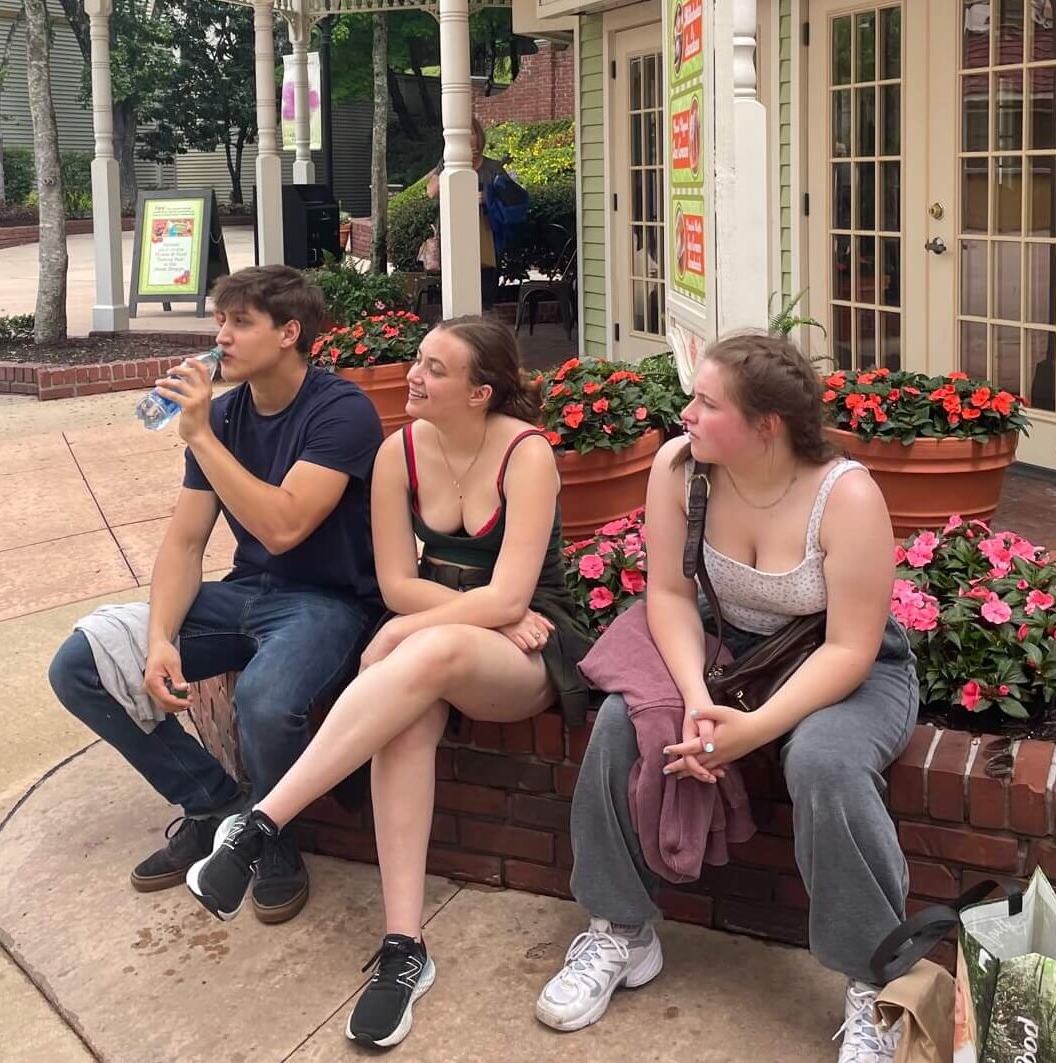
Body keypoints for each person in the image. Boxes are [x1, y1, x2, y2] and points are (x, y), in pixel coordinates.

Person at [186, 315, 591, 1048]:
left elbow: (511, 599)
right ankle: (404, 948)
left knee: (425, 650)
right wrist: (441, 619)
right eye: (417, 359)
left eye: (436, 368)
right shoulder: (397, 450)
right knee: (404, 723)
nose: (414, 374)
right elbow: (398, 585)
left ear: (480, 392)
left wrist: (418, 627)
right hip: (451, 628)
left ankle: (261, 822)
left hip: (529, 644)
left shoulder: (526, 453)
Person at [535, 332, 918, 1063]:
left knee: (825, 764)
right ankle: (620, 931)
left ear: (765, 425)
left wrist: (755, 729)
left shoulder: (846, 496)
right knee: (624, 722)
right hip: (720, 652)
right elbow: (669, 596)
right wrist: (690, 699)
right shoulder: (680, 468)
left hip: (838, 664)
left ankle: (877, 981)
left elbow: (850, 647)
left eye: (707, 404)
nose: (686, 414)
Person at [48, 265, 384, 925]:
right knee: (80, 664)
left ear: (289, 332)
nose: (221, 337)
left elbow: (284, 527)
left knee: (265, 700)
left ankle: (270, 837)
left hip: (328, 601)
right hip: (244, 594)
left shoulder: (340, 410)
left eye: (240, 323)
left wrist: (200, 434)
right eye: (220, 321)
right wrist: (158, 641)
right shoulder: (227, 414)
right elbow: (184, 543)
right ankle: (215, 806)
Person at [425, 118, 506, 310]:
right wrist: (455, 164)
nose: (468, 139)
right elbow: (432, 192)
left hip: (485, 236)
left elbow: (508, 198)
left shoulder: (493, 168)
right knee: (456, 288)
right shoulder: (446, 165)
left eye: (472, 133)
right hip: (454, 235)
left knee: (485, 290)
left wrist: (486, 197)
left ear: (479, 137)